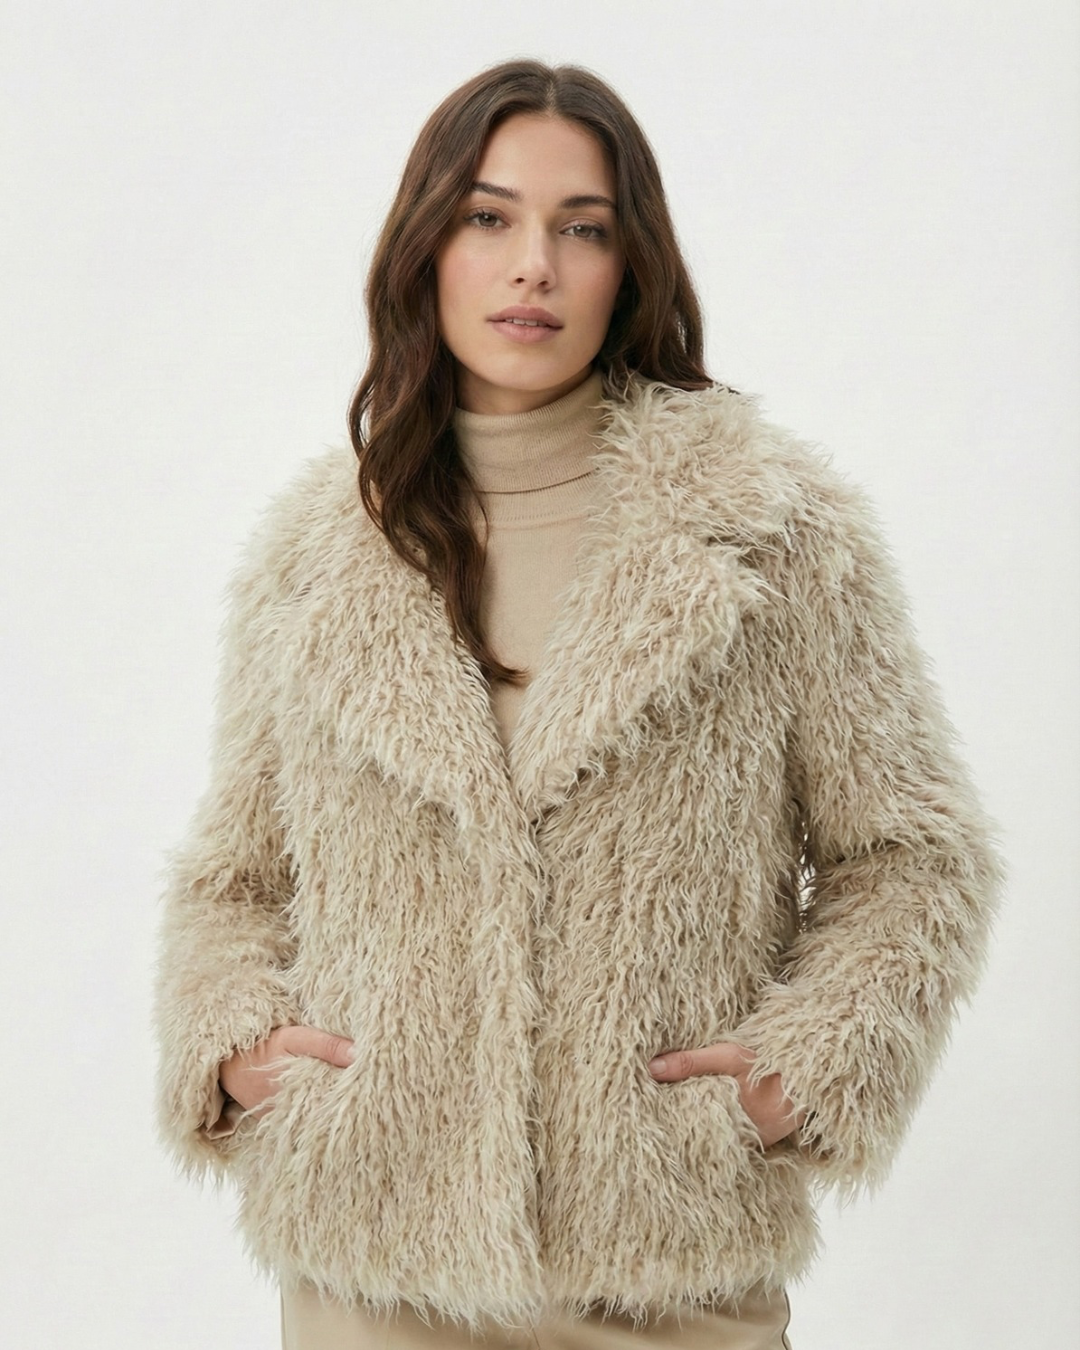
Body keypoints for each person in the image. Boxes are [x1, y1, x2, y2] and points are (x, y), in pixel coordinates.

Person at [153, 59, 1003, 1350]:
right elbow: (235, 876)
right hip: (376, 1265)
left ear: (630, 263)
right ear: (425, 247)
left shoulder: (774, 532)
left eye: (583, 228)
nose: (533, 266)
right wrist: (232, 1048)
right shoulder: (318, 552)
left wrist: (803, 1073)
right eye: (488, 217)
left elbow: (913, 852)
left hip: (666, 1263)